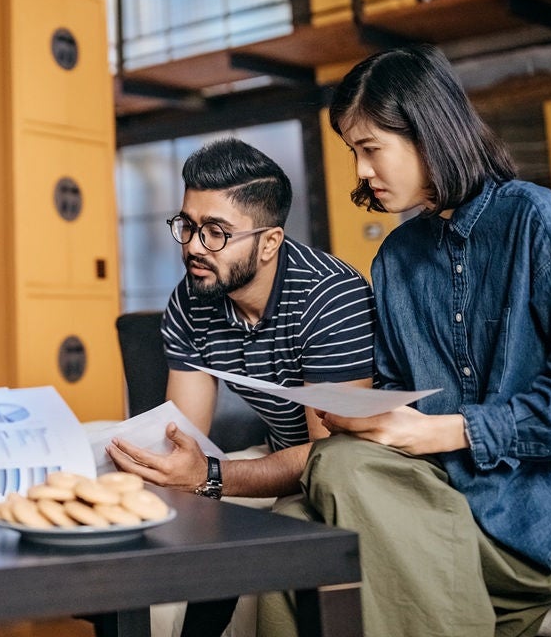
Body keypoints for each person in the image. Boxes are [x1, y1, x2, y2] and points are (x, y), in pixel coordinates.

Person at [258, 44, 551, 637]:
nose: (361, 172)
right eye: (354, 152)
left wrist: (441, 430)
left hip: (541, 510)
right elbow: (405, 395)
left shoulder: (539, 222)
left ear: (429, 133)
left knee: (340, 475)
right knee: (298, 520)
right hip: (445, 487)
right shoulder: (397, 259)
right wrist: (370, 416)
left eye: (371, 149)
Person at [105, 138, 376, 634]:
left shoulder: (329, 298)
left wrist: (208, 476)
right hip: (273, 455)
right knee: (139, 527)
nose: (191, 246)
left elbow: (331, 456)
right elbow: (181, 432)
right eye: (186, 225)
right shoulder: (194, 296)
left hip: (351, 468)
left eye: (216, 232)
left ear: (269, 242)